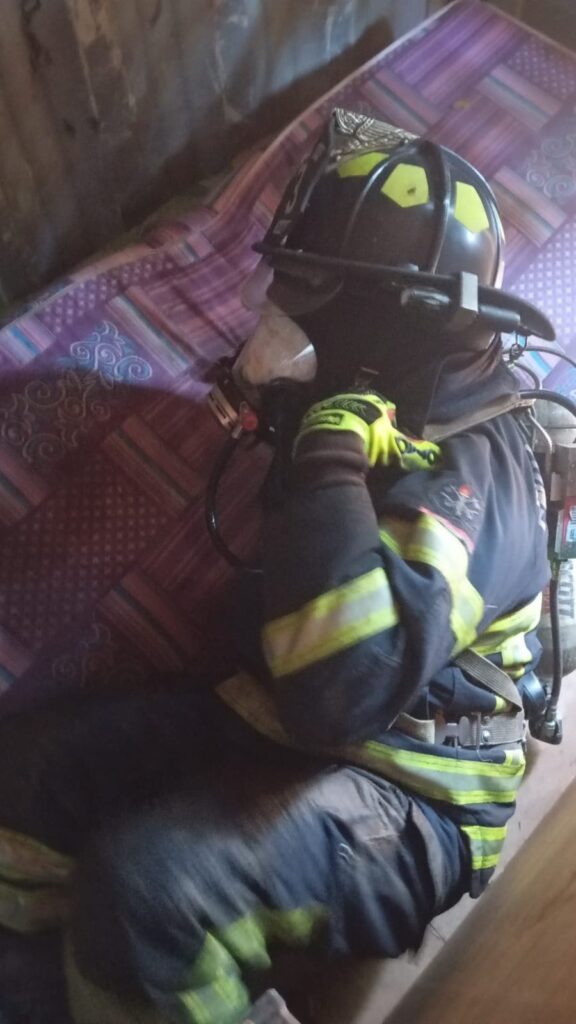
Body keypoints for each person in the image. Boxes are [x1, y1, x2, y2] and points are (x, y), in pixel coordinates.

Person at [0, 114, 552, 1024]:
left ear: (395, 320)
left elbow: (343, 688)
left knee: (154, 897)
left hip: (417, 796)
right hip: (279, 721)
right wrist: (320, 431)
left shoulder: (474, 475)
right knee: (31, 776)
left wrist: (328, 456)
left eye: (309, 296)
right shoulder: (367, 406)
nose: (275, 322)